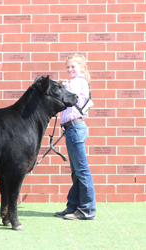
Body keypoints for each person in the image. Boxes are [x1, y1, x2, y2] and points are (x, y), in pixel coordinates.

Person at [54, 54, 96, 220]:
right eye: (68, 67)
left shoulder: (79, 81)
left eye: (73, 66)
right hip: (73, 129)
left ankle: (87, 210)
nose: (70, 69)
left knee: (81, 171)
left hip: (75, 128)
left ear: (82, 68)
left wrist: (64, 86)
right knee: (77, 171)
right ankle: (73, 207)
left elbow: (69, 97)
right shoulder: (76, 82)